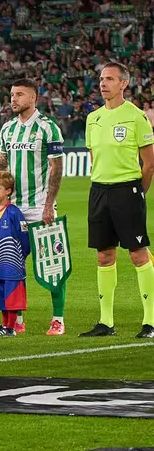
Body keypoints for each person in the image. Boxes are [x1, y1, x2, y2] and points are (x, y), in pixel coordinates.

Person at [81, 61, 154, 338]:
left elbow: (149, 164)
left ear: (123, 83)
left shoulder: (136, 116)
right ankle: (106, 323)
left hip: (128, 190)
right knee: (104, 256)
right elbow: (93, 158)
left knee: (138, 254)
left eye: (110, 79)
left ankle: (150, 322)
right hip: (99, 191)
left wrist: (138, 194)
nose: (103, 83)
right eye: (101, 78)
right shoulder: (93, 118)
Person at [0, 78, 66, 335]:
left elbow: (56, 168)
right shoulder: (7, 129)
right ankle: (17, 320)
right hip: (13, 209)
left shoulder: (48, 128)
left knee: (52, 264)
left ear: (33, 98)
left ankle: (58, 319)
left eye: (19, 95)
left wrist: (49, 205)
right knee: (13, 264)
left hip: (39, 207)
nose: (13, 99)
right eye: (12, 94)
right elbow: (1, 165)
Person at [0, 171, 31, 337]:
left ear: (8, 191)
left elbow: (24, 236)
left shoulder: (13, 212)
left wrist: (21, 256)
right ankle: (5, 325)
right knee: (1, 295)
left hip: (13, 263)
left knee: (12, 295)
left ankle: (11, 327)